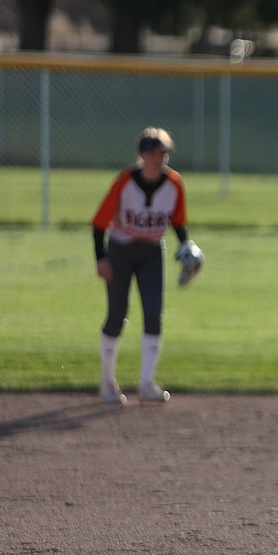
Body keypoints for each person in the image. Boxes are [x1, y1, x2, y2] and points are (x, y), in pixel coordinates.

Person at [92, 127, 194, 405]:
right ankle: (106, 383)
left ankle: (147, 384)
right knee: (116, 314)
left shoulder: (174, 184)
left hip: (152, 251)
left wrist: (186, 246)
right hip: (120, 250)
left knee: (153, 314)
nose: (158, 159)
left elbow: (177, 221)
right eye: (152, 153)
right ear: (141, 155)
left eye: (162, 154)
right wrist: (100, 258)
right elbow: (99, 223)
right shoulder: (125, 181)